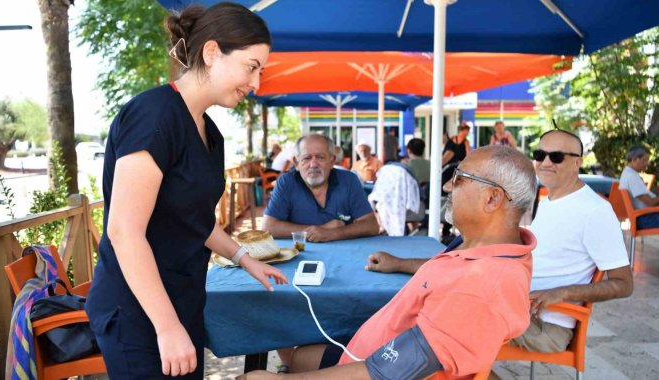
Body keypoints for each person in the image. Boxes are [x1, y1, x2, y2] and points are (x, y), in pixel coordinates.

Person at [85, 4, 288, 379]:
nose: (256, 84)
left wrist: (245, 258)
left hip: (182, 301)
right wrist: (166, 327)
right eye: (251, 66)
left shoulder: (210, 132)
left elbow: (194, 220)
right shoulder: (154, 116)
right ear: (212, 53)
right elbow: (124, 233)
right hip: (137, 310)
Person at [240, 145, 538, 379]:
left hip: (369, 365)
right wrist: (400, 263)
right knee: (295, 332)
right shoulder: (494, 249)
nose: (448, 187)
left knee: (287, 348)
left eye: (459, 179)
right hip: (375, 349)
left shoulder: (480, 286)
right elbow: (452, 272)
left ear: (492, 199)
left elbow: (389, 372)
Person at [366, 130, 633, 355]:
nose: (545, 162)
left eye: (557, 157)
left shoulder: (595, 210)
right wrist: (400, 264)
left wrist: (562, 292)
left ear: (578, 162)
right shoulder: (549, 200)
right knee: (423, 301)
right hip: (511, 304)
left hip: (543, 324)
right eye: (540, 155)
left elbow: (623, 284)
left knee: (435, 321)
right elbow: (477, 257)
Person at [262, 134, 380, 242]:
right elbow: (268, 227)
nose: (313, 165)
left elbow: (371, 225)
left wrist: (333, 233)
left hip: (344, 253)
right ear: (296, 163)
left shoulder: (348, 181)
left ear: (332, 160)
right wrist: (321, 229)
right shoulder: (286, 183)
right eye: (307, 158)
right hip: (300, 254)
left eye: (320, 157)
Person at [619, 144, 659, 228]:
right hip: (646, 218)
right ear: (635, 159)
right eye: (645, 160)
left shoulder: (629, 174)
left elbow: (648, 195)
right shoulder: (631, 177)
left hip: (648, 214)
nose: (647, 164)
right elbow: (650, 202)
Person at [440, 123, 471, 242]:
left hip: (457, 172)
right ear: (461, 131)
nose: (466, 133)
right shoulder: (452, 141)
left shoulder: (466, 142)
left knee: (454, 196)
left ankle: (447, 227)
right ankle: (444, 224)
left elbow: (469, 155)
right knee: (445, 195)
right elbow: (446, 155)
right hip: (447, 171)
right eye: (465, 131)